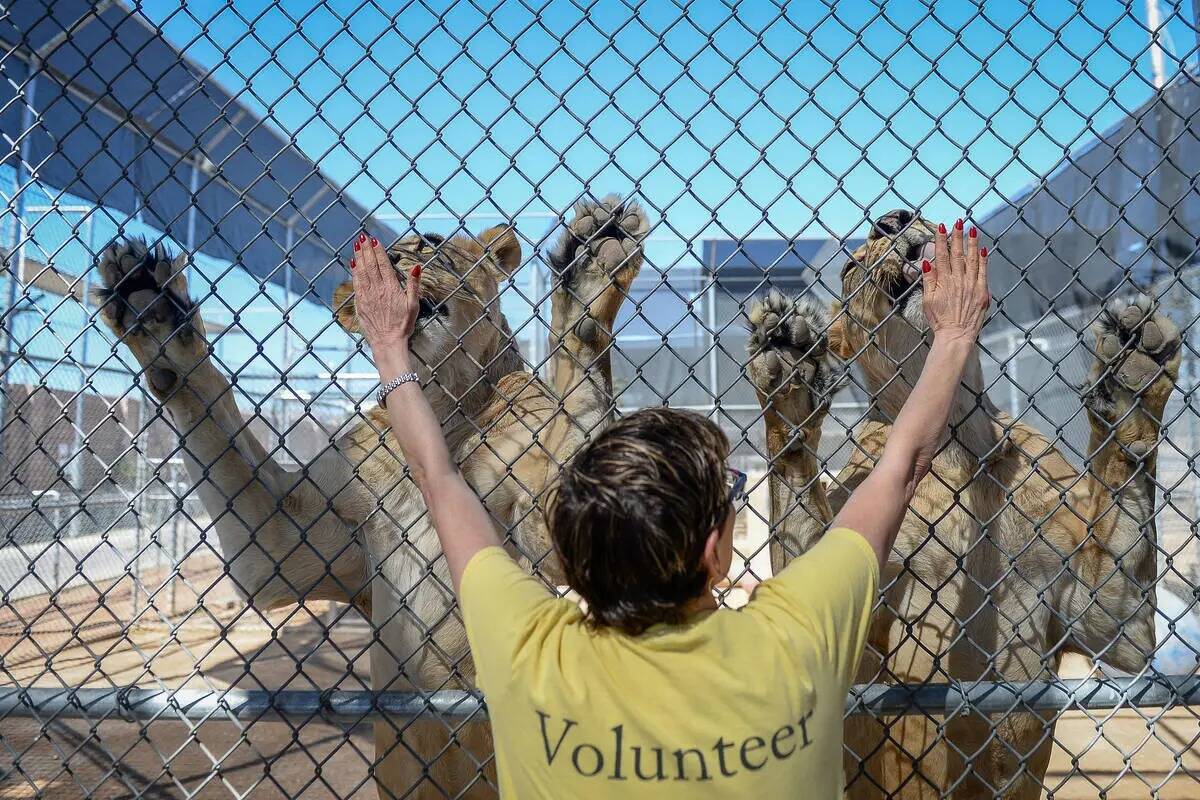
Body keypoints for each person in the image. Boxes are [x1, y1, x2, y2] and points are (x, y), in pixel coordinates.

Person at [349, 218, 990, 798]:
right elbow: (903, 465)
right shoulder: (797, 639)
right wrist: (954, 334)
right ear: (715, 549)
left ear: (571, 556)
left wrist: (389, 350)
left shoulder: (527, 648)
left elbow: (437, 480)